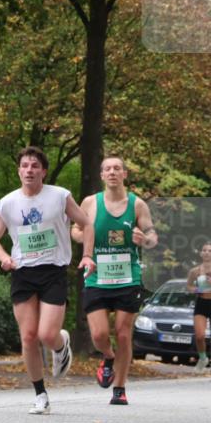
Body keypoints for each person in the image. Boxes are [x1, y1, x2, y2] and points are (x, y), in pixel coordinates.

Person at [0, 146, 96, 415]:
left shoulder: (59, 196)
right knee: (28, 337)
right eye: (24, 166)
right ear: (19, 171)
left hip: (53, 271)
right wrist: (3, 257)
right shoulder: (8, 203)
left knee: (47, 334)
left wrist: (88, 255)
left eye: (35, 166)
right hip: (23, 272)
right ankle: (40, 395)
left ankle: (60, 344)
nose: (29, 170)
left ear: (43, 171)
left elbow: (87, 223)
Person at [71, 156, 157, 405]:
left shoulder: (137, 204)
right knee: (99, 334)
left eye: (117, 168)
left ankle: (119, 388)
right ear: (101, 175)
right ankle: (108, 357)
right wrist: (82, 238)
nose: (112, 172)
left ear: (124, 174)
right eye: (107, 169)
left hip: (128, 277)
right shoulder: (90, 202)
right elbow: (75, 229)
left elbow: (152, 235)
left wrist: (145, 239)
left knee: (122, 333)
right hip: (97, 275)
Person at [187, 241, 211, 372]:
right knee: (199, 336)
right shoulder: (195, 271)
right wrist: (197, 290)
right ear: (201, 253)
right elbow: (189, 286)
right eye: (204, 250)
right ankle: (203, 358)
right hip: (201, 302)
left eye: (210, 250)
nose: (207, 252)